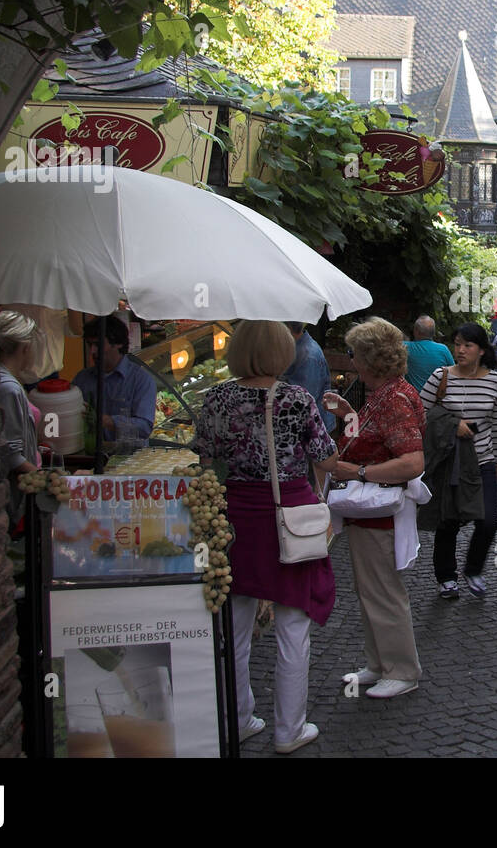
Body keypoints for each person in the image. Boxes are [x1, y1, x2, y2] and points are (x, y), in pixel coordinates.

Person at [193, 321, 338, 754]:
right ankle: (288, 729)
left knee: (234, 626)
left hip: (236, 517)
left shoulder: (216, 397)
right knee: (293, 624)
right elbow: (325, 457)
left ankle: (237, 720)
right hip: (290, 515)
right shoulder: (297, 399)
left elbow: (204, 456)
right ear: (281, 351)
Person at [323, 317, 425, 699]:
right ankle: (380, 662)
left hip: (380, 513)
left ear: (369, 358)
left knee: (382, 591)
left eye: (354, 354)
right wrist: (348, 414)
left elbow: (413, 462)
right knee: (371, 590)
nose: (351, 361)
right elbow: (365, 439)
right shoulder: (384, 394)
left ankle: (401, 670)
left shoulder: (394, 399)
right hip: (369, 513)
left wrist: (359, 472)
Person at [419, 323, 497, 598]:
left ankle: (473, 568)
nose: (460, 350)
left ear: (481, 350)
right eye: (457, 344)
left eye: (467, 345)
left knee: (489, 521)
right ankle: (446, 578)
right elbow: (420, 414)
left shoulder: (495, 380)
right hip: (450, 460)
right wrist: (452, 423)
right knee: (449, 521)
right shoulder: (440, 376)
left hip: (483, 459)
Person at [72, 316, 157, 446]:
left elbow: (144, 428)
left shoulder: (141, 380)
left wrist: (107, 421)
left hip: (130, 459)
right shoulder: (82, 379)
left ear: (118, 343)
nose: (93, 351)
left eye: (98, 345)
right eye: (90, 345)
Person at [0, 310, 41, 524]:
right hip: (16, 494)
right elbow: (11, 454)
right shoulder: (9, 388)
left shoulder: (7, 380)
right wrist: (46, 480)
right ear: (26, 347)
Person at [0, 304, 83, 385]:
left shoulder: (56, 301)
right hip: (19, 376)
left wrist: (71, 302)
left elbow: (76, 330)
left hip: (50, 374)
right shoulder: (11, 301)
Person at [283, 321, 335, 432]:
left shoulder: (308, 356)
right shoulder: (299, 348)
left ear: (288, 328)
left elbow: (304, 400)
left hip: (314, 427)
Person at [403, 314, 453, 393]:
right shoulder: (443, 349)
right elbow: (453, 373)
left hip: (413, 400)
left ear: (416, 331)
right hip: (436, 400)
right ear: (433, 333)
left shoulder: (405, 347)